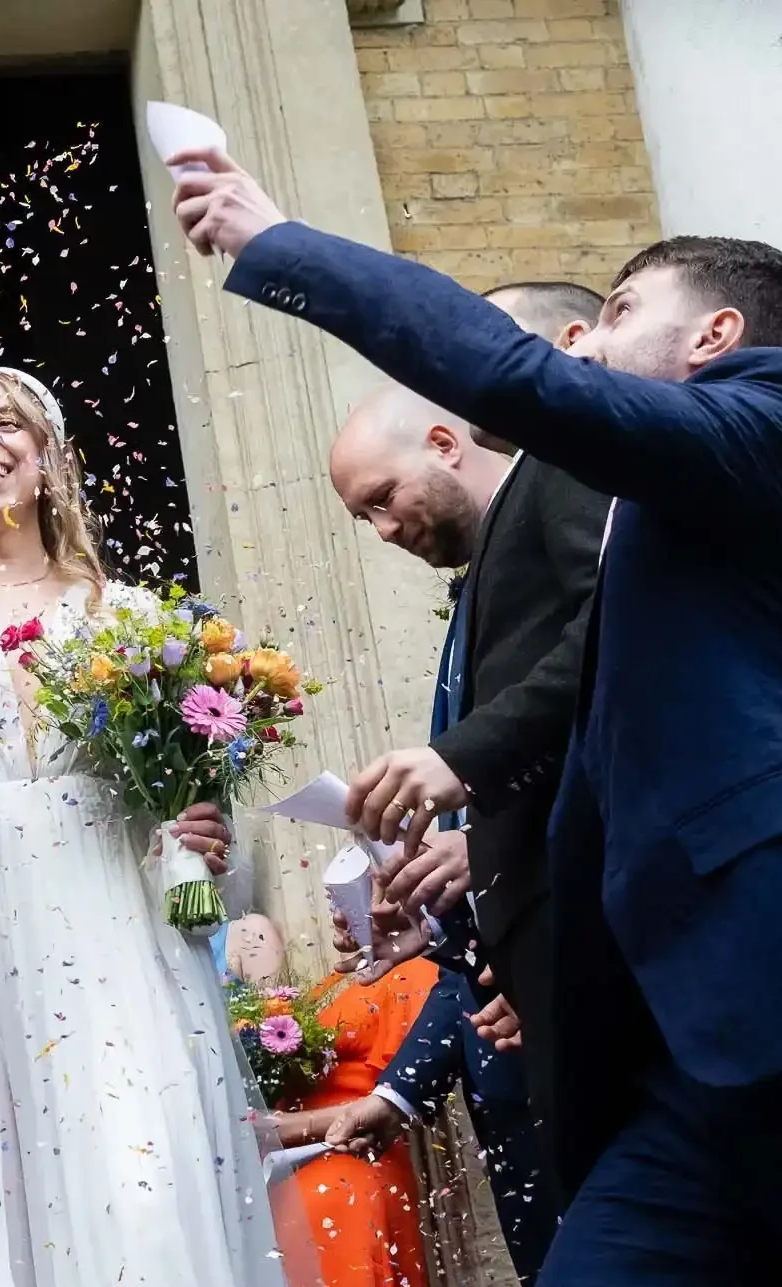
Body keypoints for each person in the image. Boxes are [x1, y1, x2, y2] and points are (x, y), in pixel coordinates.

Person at [171, 146, 782, 1287]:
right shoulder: (647, 538)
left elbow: (512, 378)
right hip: (665, 1078)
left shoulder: (774, 420)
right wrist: (480, 920)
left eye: (611, 318)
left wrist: (277, 239)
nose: (580, 342)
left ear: (712, 339)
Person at [0, 366, 353, 1287]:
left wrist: (197, 828)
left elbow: (190, 815)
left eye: (10, 425)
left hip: (116, 924)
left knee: (142, 1190)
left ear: (49, 459)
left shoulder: (128, 616)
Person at [327, 283, 609, 1221]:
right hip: (525, 1003)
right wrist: (440, 919)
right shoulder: (478, 586)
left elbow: (613, 649)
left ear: (444, 444)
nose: (384, 530)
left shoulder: (570, 475)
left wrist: (465, 765)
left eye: (383, 500)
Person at [268, 961, 456, 1287]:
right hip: (295, 1185)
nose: (339, 906)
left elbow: (402, 1093)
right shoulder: (332, 980)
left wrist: (281, 1129)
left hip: (353, 1171)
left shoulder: (422, 973)